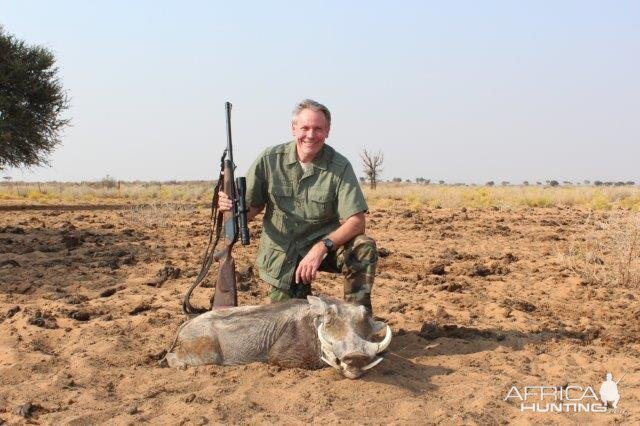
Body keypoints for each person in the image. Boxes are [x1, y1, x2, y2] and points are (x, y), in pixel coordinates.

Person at [218, 99, 378, 312]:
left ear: (328, 131)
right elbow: (251, 208)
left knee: (363, 247)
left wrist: (322, 247)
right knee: (289, 324)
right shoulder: (269, 159)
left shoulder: (340, 166)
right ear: (294, 129)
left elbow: (357, 222)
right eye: (305, 128)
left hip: (324, 248)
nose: (311, 135)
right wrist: (230, 207)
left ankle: (358, 318)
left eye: (318, 129)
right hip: (283, 256)